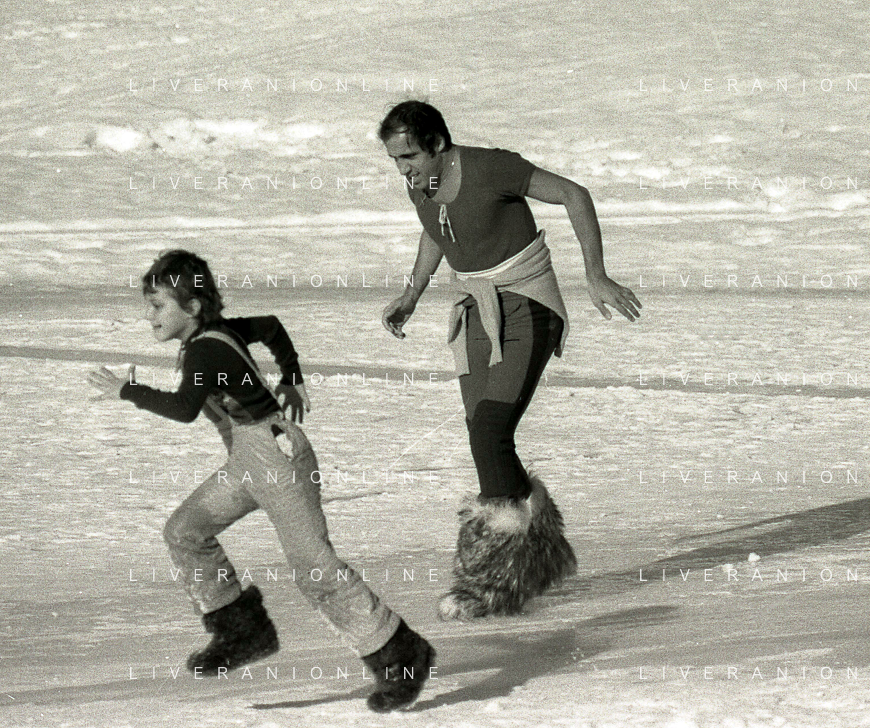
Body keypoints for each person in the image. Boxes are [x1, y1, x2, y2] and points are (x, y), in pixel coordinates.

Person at [87, 250, 433, 712]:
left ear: (192, 307)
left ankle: (402, 656)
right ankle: (241, 631)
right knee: (185, 531)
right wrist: (290, 374)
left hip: (276, 460)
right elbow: (270, 326)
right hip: (249, 458)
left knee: (314, 568)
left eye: (157, 305)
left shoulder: (205, 349)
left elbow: (185, 408)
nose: (148, 315)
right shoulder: (217, 332)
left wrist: (127, 390)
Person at [377, 101, 642, 620]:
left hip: (527, 305)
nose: (403, 169)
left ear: (437, 144)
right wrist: (412, 293)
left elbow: (573, 194)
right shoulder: (422, 184)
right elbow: (437, 230)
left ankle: (495, 579)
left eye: (409, 156)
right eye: (395, 160)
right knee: (484, 431)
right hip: (477, 310)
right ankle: (541, 550)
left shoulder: (491, 167)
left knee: (489, 431)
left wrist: (595, 274)